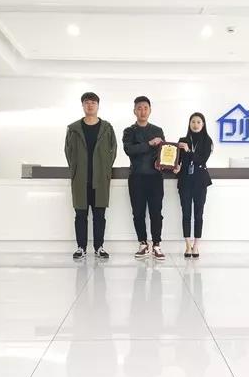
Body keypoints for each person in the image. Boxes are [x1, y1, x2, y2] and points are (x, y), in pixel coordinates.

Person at [65, 92, 117, 259]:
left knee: (99, 215)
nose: (90, 105)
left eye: (93, 102)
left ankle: (99, 247)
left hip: (100, 179)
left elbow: (113, 150)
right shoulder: (73, 128)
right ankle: (81, 247)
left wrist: (105, 169)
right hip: (80, 179)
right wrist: (75, 169)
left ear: (98, 105)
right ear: (82, 105)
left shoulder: (107, 128)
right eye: (87, 102)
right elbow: (68, 151)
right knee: (80, 215)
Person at [122, 96, 166, 260]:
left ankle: (156, 245)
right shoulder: (129, 131)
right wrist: (149, 144)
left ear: (150, 110)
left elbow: (164, 152)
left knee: (156, 213)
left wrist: (168, 163)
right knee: (138, 213)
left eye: (145, 108)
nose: (142, 111)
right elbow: (129, 150)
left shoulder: (158, 130)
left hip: (155, 178)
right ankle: (143, 244)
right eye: (139, 108)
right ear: (134, 111)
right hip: (136, 177)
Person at [173, 112, 213, 258]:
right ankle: (187, 245)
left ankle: (196, 246)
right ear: (189, 123)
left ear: (203, 124)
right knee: (186, 213)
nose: (195, 124)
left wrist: (188, 150)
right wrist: (176, 168)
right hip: (185, 181)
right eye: (193, 122)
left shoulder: (207, 141)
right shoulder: (182, 140)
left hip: (200, 181)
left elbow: (201, 160)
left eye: (198, 122)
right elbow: (178, 161)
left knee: (198, 214)